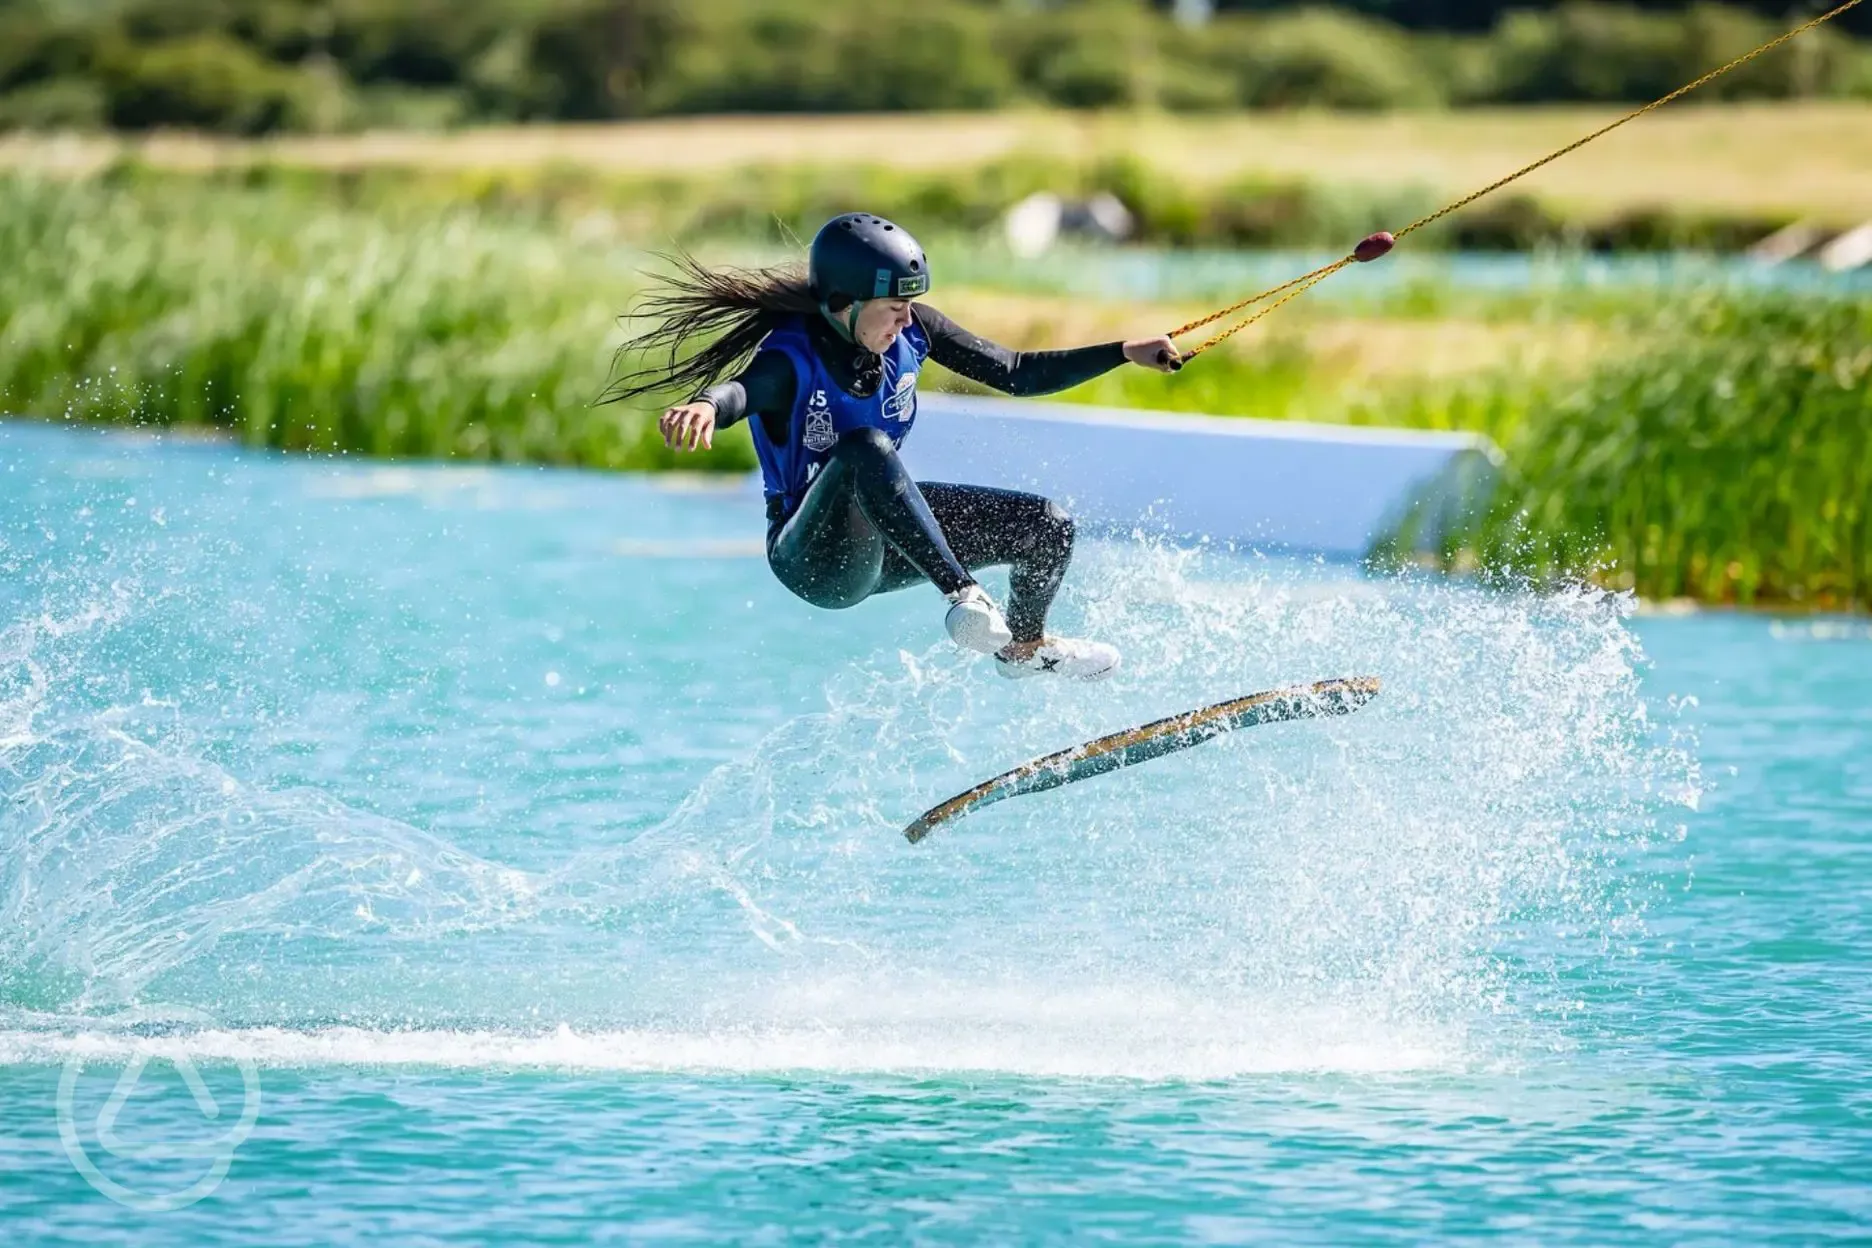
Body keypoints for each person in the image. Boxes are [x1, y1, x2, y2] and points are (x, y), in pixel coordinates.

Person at [606, 212, 1181, 680]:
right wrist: (705, 406)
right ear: (842, 304)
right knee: (865, 448)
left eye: (911, 304)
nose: (906, 320)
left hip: (890, 540)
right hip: (814, 559)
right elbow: (740, 392)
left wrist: (1123, 352)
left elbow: (1018, 372)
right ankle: (964, 597)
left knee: (1045, 525)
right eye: (893, 307)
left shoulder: (915, 330)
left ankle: (1025, 651)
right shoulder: (791, 358)